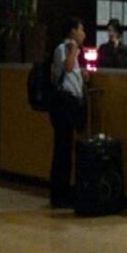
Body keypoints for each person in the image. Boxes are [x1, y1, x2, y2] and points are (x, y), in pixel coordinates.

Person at [49, 16, 89, 208]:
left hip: (72, 104)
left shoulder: (73, 50)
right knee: (62, 150)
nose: (84, 34)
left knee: (67, 149)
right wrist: (73, 51)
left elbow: (72, 73)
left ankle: (65, 190)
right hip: (62, 104)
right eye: (81, 29)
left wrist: (82, 75)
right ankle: (58, 194)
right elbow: (66, 67)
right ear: (73, 31)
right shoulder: (62, 49)